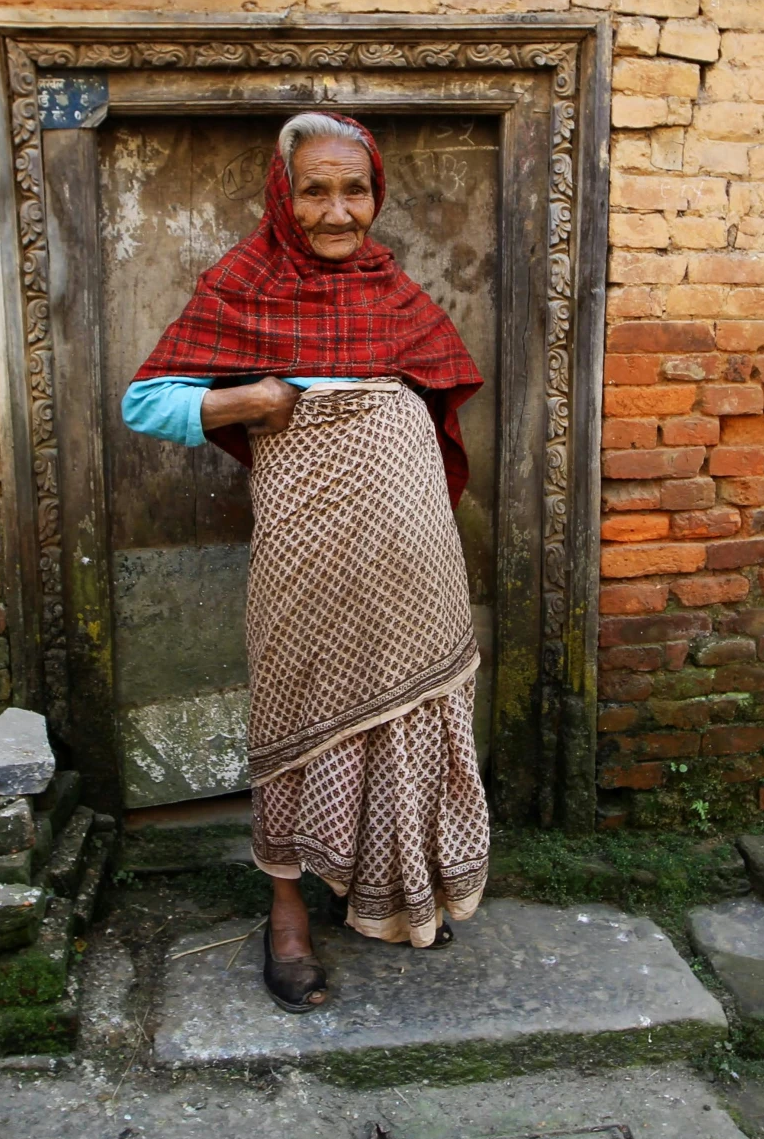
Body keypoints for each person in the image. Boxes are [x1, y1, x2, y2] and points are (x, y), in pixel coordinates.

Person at [121, 111, 490, 1012]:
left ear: (377, 195)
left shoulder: (392, 291)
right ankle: (288, 909)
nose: (336, 211)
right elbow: (145, 402)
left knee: (419, 702)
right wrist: (252, 397)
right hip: (306, 545)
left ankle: (407, 891)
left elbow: (434, 399)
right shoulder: (246, 283)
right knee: (297, 704)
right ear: (283, 196)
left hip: (414, 553)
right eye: (315, 189)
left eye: (353, 189)